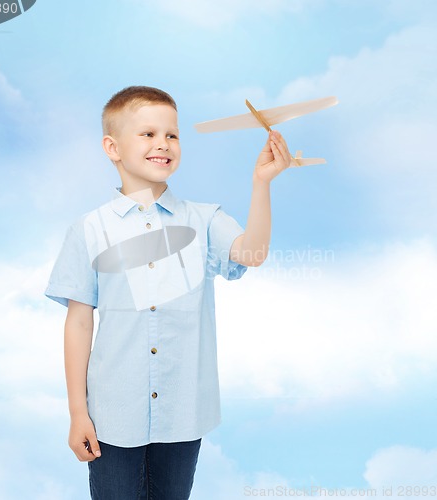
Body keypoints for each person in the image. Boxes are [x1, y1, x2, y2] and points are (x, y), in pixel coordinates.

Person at [45, 86, 292, 499]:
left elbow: (251, 253)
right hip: (112, 413)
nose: (163, 144)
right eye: (148, 134)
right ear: (113, 146)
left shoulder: (204, 219)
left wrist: (261, 183)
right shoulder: (88, 229)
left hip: (183, 412)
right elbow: (79, 320)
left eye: (172, 135)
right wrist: (77, 412)